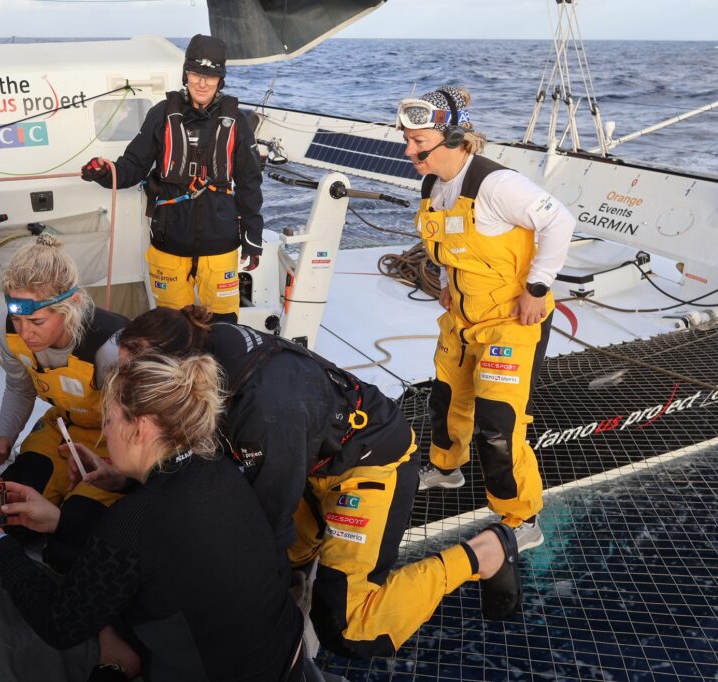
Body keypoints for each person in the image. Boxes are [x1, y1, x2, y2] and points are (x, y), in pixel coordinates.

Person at [113, 306, 524, 660]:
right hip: (310, 458)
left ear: (175, 371)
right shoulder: (203, 341)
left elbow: (265, 523)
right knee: (285, 558)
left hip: (367, 468)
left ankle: (483, 552)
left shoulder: (264, 410)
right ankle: (312, 566)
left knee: (348, 629)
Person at [0, 353, 312, 681]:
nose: (104, 433)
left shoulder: (133, 519)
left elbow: (58, 624)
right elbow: (158, 549)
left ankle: (118, 663)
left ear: (140, 428)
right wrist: (60, 520)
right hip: (283, 656)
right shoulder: (217, 467)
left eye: (108, 420)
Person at [397, 86, 575, 551]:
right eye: (407, 139)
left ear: (454, 139)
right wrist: (445, 283)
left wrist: (537, 288)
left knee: (497, 424)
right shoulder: (432, 185)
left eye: (418, 142)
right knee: (446, 399)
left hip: (511, 323)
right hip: (462, 317)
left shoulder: (498, 186)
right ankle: (445, 468)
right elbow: (447, 243)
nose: (408, 150)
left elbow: (560, 222)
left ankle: (522, 519)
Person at [79, 34, 264, 323]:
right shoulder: (161, 115)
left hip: (221, 245)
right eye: (196, 73)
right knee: (173, 328)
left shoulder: (237, 122)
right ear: (186, 74)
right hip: (169, 243)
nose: (202, 82)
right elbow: (132, 167)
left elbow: (250, 183)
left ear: (221, 79)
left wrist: (253, 238)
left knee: (225, 326)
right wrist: (104, 173)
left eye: (211, 75)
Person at [0, 234, 127, 510]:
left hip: (114, 440)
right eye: (17, 319)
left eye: (37, 321)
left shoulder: (110, 347)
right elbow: (19, 387)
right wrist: (5, 436)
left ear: (71, 305)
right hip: (62, 429)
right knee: (8, 506)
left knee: (79, 519)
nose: (24, 332)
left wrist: (121, 474)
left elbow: (141, 424)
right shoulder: (6, 330)